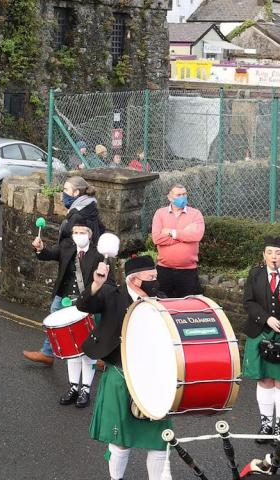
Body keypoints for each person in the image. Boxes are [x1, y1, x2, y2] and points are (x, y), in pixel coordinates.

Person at [78, 255, 170, 480]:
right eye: (151, 277)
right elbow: (84, 305)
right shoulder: (111, 294)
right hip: (120, 373)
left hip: (154, 377)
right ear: (135, 280)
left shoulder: (161, 299)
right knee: (119, 441)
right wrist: (97, 283)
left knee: (160, 442)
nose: (156, 281)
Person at [24, 220, 102, 406]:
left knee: (87, 350)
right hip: (66, 302)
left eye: (82, 231)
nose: (78, 235)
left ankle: (86, 390)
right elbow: (48, 254)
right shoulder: (67, 246)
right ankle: (74, 387)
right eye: (75, 231)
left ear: (90, 234)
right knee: (71, 349)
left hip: (87, 304)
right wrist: (40, 248)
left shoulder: (99, 254)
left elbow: (108, 284)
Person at [241, 236, 280, 441]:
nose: (274, 257)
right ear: (264, 255)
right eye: (270, 252)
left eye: (278, 253)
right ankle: (266, 426)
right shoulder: (255, 274)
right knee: (265, 380)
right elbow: (248, 301)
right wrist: (267, 318)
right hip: (260, 331)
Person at [151, 184, 204, 298]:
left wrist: (172, 233)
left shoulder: (196, 214)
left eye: (184, 194)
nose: (182, 197)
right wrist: (184, 235)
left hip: (188, 272)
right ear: (170, 197)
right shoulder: (160, 213)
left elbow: (196, 235)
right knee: (164, 306)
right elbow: (157, 238)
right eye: (179, 195)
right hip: (164, 271)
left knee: (186, 308)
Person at [58, 176, 105, 243]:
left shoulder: (77, 216)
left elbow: (67, 245)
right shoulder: (90, 207)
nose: (63, 193)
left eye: (66, 189)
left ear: (76, 192)